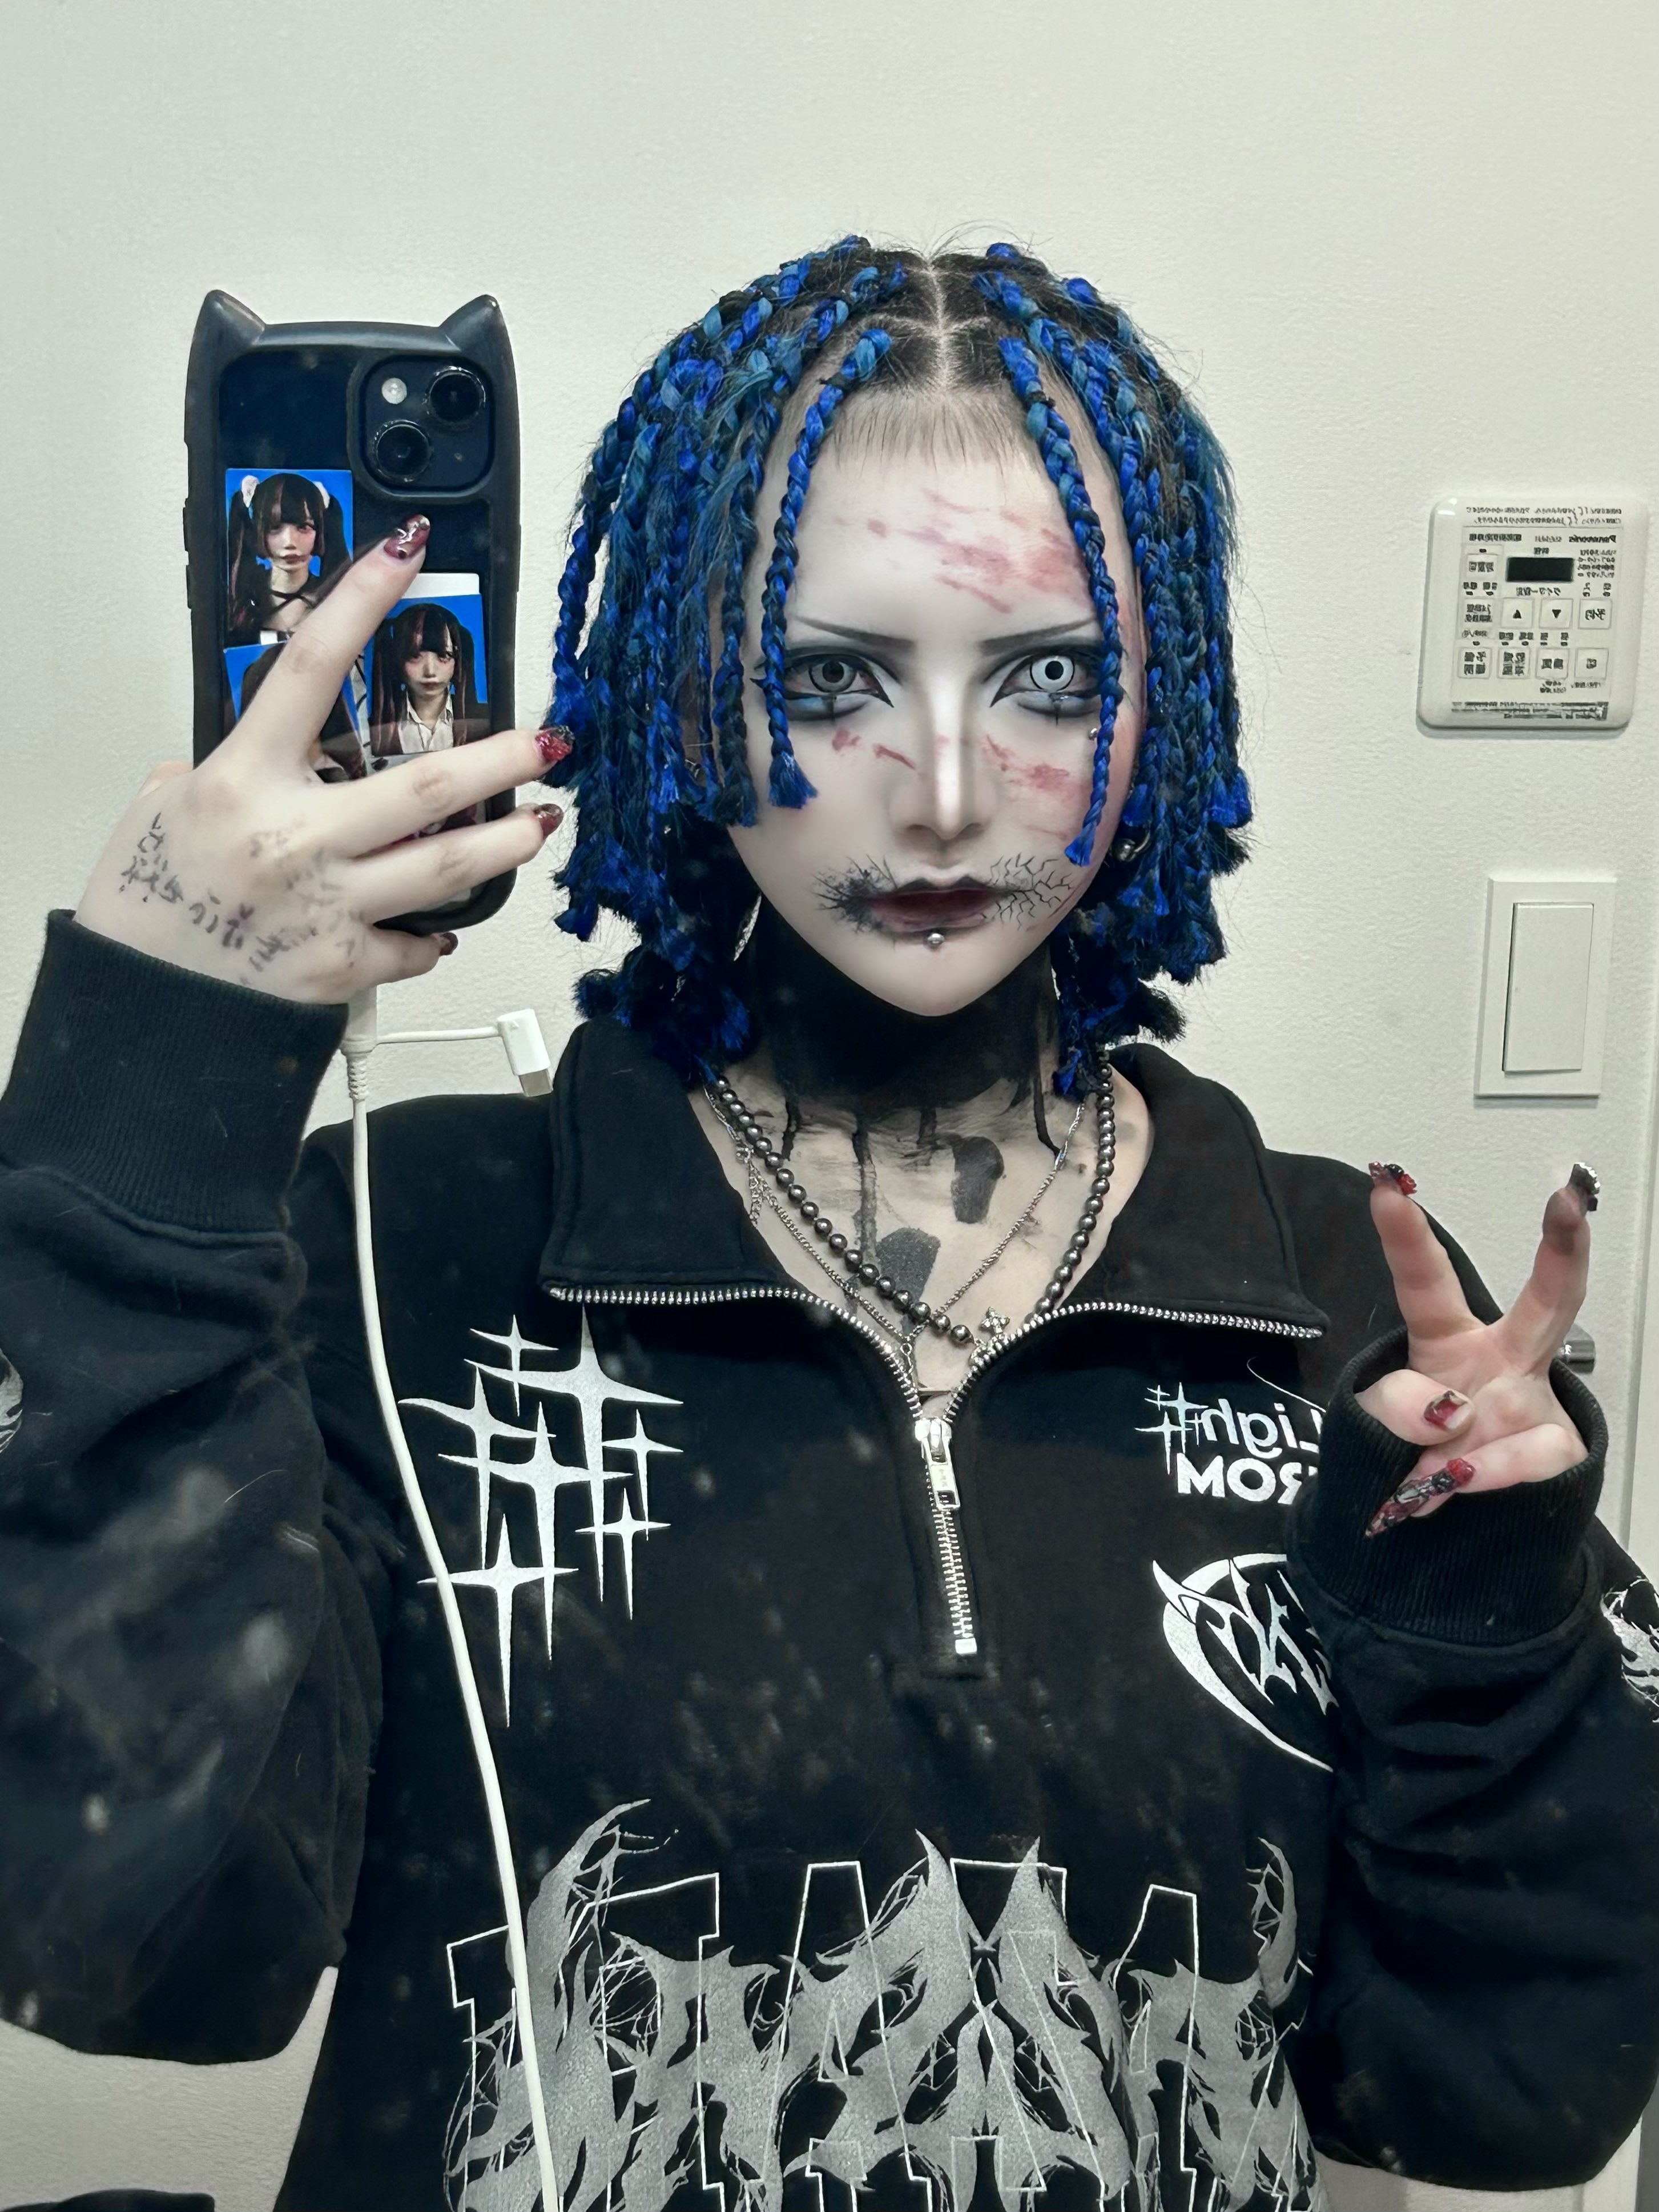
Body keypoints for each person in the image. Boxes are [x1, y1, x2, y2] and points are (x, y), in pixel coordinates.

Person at [2, 239, 1657, 2210]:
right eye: (828, 677)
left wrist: (1479, 1611)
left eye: (1048, 676)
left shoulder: (1333, 1301)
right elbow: (133, 1947)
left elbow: (1505, 2097)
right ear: (681, 692)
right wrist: (151, 1079)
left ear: (1164, 708)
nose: (940, 793)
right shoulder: (397, 1250)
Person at [225, 469, 349, 644]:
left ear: (320, 531)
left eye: (304, 527)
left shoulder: (335, 603)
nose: (290, 542)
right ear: (258, 532)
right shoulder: (242, 604)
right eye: (274, 527)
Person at [367, 600, 485, 761]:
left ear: (458, 660)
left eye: (443, 655)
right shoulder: (372, 732)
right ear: (397, 660)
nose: (430, 671)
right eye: (415, 656)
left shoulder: (484, 722)